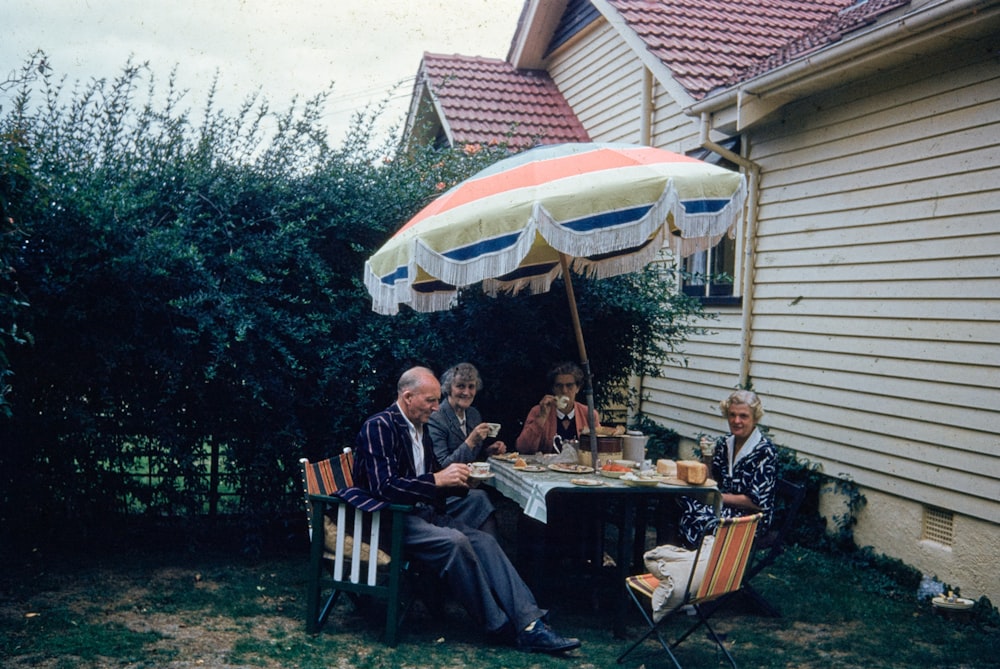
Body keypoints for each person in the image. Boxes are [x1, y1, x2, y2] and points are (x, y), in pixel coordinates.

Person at [352, 366, 581, 654]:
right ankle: (499, 625)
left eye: (437, 401)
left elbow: (430, 473)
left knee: (484, 541)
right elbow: (382, 487)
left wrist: (457, 480)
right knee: (456, 542)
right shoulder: (379, 426)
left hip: (421, 513)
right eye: (431, 401)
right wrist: (437, 480)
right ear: (408, 397)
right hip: (389, 519)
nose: (436, 408)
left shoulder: (418, 427)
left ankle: (530, 623)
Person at [677, 389, 778, 547]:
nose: (736, 420)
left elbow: (757, 502)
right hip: (725, 508)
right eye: (732, 415)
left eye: (743, 416)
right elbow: (712, 481)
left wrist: (717, 498)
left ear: (755, 418)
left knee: (700, 517)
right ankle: (679, 557)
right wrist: (707, 458)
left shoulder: (765, 452)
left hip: (751, 518)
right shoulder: (726, 443)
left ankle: (701, 564)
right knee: (679, 500)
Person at [427, 362, 506, 537]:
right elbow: (442, 466)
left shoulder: (473, 414)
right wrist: (471, 441)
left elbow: (472, 457)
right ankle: (487, 554)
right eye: (460, 386)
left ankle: (485, 552)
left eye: (471, 387)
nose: (466, 392)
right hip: (443, 493)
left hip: (465, 487)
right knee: (482, 500)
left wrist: (488, 451)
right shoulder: (437, 418)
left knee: (483, 501)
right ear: (449, 388)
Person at [515, 361, 602, 454]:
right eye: (559, 386)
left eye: (569, 386)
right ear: (553, 389)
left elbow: (599, 448)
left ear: (577, 388)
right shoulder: (538, 411)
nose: (564, 391)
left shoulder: (589, 414)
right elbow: (522, 448)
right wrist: (541, 418)